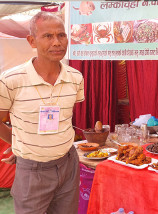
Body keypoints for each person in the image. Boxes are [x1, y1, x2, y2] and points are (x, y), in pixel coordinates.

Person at [0, 12, 84, 214]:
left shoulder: (75, 77)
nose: (57, 42)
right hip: (32, 171)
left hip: (68, 164)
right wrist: (19, 144)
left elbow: (64, 119)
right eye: (48, 36)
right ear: (32, 41)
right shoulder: (11, 80)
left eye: (61, 35)